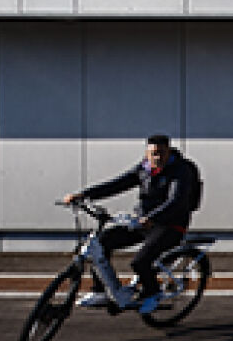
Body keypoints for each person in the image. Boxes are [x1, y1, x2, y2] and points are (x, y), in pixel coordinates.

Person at [64, 134, 202, 312]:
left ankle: (152, 293)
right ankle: (101, 292)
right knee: (101, 242)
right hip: (143, 222)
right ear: (147, 153)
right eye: (153, 153)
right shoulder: (144, 168)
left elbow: (176, 201)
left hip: (170, 225)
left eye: (161, 153)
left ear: (169, 152)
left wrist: (152, 218)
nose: (157, 157)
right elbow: (118, 184)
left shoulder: (181, 171)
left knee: (140, 261)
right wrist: (84, 195)